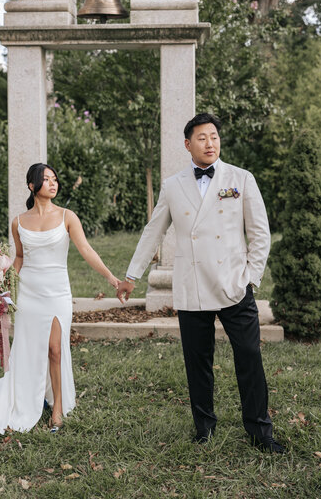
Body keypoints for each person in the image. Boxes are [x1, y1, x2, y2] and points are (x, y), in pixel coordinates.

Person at [117, 113, 284, 453]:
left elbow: (260, 233)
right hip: (193, 285)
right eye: (202, 138)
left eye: (214, 137)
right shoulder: (173, 185)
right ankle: (204, 427)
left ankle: (259, 430)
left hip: (234, 285)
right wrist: (132, 275)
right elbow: (154, 231)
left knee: (249, 356)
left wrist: (251, 278)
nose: (210, 143)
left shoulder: (241, 178)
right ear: (187, 144)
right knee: (198, 361)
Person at [0, 163, 120, 434]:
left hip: (57, 293)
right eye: (46, 179)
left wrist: (113, 279)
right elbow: (19, 257)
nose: (53, 184)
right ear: (32, 186)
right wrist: (1, 284)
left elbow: (86, 249)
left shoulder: (67, 216)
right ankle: (30, 396)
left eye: (55, 179)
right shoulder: (18, 221)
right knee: (30, 349)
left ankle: (56, 410)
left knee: (55, 349)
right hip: (29, 294)